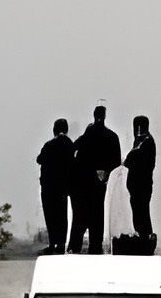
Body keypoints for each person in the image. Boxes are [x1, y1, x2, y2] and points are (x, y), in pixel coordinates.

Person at [71, 104, 122, 255]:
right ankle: (95, 247)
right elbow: (116, 161)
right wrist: (104, 172)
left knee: (80, 216)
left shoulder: (87, 135)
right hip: (100, 184)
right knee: (97, 216)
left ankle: (75, 246)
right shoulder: (112, 136)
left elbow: (74, 152)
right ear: (105, 116)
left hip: (83, 182)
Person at [36, 119, 75, 253]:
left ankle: (53, 244)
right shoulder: (70, 144)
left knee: (51, 215)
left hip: (49, 186)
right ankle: (62, 244)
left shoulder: (49, 144)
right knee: (61, 215)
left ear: (54, 129)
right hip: (63, 186)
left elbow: (39, 159)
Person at [127, 114, 156, 246]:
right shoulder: (143, 141)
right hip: (139, 185)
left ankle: (145, 237)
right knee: (140, 210)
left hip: (141, 185)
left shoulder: (146, 141)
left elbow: (133, 158)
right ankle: (143, 235)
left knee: (141, 211)